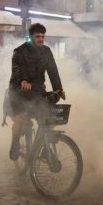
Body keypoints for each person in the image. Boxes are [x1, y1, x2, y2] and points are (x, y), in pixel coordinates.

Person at [8, 23, 66, 161]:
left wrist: (58, 89)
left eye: (43, 36)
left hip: (37, 91)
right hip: (18, 92)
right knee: (21, 119)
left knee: (49, 117)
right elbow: (17, 68)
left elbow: (53, 71)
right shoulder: (19, 51)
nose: (41, 39)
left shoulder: (46, 51)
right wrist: (23, 80)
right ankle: (15, 142)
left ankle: (44, 147)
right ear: (31, 37)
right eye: (38, 36)